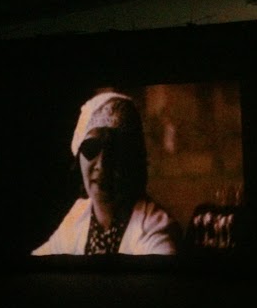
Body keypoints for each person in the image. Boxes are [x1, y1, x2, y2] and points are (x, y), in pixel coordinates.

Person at [32, 91, 182, 255]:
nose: (102, 165)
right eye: (91, 148)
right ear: (79, 156)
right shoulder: (78, 215)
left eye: (114, 150)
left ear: (132, 160)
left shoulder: (155, 228)